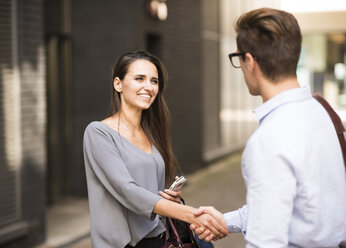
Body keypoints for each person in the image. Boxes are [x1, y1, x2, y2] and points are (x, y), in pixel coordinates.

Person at [191, 8, 346, 247]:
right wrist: (225, 220)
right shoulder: (320, 111)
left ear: (250, 61)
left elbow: (266, 242)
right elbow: (289, 205)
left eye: (238, 58)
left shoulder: (269, 139)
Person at [83, 50, 228, 248]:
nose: (148, 87)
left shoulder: (151, 132)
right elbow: (128, 191)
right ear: (118, 84)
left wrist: (172, 199)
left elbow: (151, 190)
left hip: (160, 240)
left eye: (154, 81)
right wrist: (193, 216)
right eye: (139, 79)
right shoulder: (99, 133)